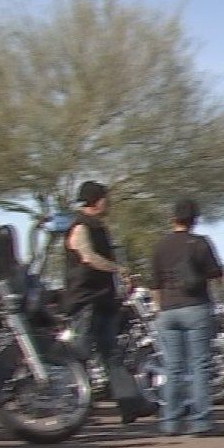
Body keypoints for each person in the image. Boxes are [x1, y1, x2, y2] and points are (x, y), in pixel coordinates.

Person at [64, 180, 143, 423]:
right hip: (86, 302)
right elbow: (88, 257)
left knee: (112, 355)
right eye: (104, 198)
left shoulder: (99, 227)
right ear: (96, 200)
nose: (108, 202)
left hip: (104, 301)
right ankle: (70, 408)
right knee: (79, 355)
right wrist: (117, 269)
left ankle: (131, 404)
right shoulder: (80, 227)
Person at [149, 198, 224, 435]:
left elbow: (154, 283)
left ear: (173, 218)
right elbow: (216, 273)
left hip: (168, 311)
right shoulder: (200, 243)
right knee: (200, 366)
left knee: (173, 368)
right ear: (195, 220)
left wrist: (159, 307)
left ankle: (170, 422)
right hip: (196, 307)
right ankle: (200, 421)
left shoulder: (160, 245)